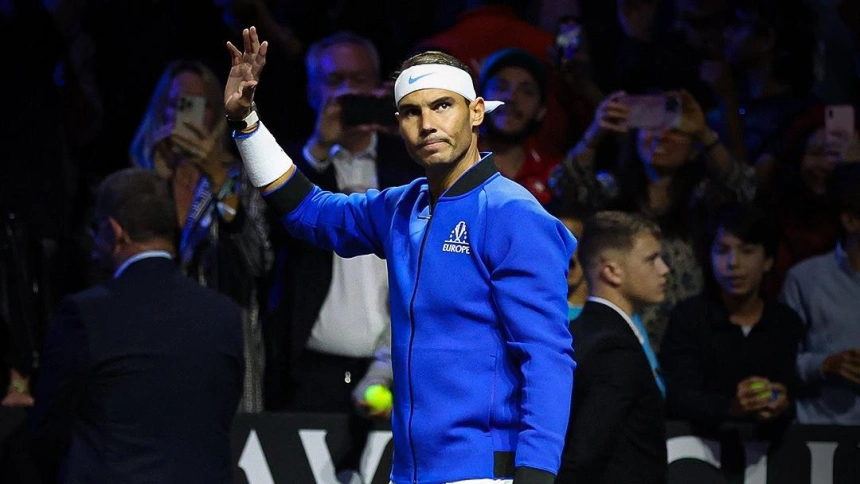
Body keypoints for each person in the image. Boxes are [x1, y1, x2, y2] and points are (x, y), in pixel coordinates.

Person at [224, 27, 576, 484]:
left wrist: (535, 477)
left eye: (441, 106)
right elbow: (307, 210)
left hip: (483, 473)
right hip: (410, 472)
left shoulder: (513, 215)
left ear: (474, 113)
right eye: (410, 112)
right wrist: (246, 123)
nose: (426, 124)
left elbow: (547, 357)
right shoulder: (400, 207)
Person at [264, 32, 422, 482]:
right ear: (314, 90)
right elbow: (271, 231)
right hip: (314, 375)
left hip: (403, 369)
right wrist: (318, 146)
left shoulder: (410, 164)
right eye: (335, 80)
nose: (349, 91)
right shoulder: (293, 166)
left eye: (360, 79)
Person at [28, 168, 244, 483]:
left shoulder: (84, 314)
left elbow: (48, 429)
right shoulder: (224, 315)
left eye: (96, 228)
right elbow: (222, 415)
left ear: (116, 232)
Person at [551, 89, 756, 347]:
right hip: (618, 333)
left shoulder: (703, 198)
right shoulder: (612, 190)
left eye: (676, 130)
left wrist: (704, 134)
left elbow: (744, 189)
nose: (662, 136)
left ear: (694, 149)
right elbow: (563, 186)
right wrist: (595, 133)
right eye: (651, 126)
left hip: (686, 338)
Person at [130, 60, 271, 412]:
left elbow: (258, 260)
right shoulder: (138, 187)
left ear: (215, 114)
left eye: (200, 104)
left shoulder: (243, 180)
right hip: (151, 350)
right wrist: (158, 185)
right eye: (178, 104)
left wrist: (217, 178)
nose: (188, 115)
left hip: (220, 350)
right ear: (161, 110)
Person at [660, 204, 802, 436]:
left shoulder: (785, 322)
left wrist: (781, 405)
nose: (733, 263)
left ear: (768, 261)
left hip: (772, 456)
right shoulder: (690, 316)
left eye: (747, 251)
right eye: (722, 250)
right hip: (697, 450)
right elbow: (677, 396)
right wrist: (731, 407)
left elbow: (794, 393)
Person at [558, 211, 669, 484]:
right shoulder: (614, 349)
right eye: (651, 259)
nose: (664, 269)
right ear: (611, 271)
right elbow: (584, 455)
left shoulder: (583, 331)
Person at [781, 164, 860, 425]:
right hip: (822, 435)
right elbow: (778, 359)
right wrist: (825, 365)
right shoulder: (805, 278)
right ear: (849, 220)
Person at [478, 48, 559, 205]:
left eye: (527, 92)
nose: (511, 97)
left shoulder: (553, 174)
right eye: (501, 87)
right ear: (479, 100)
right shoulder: (451, 163)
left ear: (541, 111)